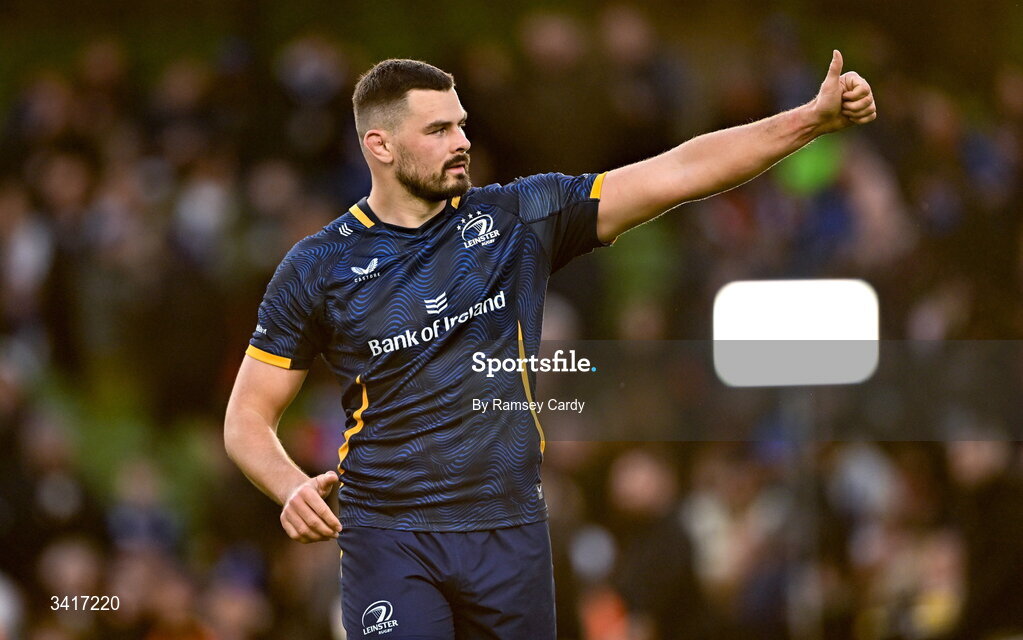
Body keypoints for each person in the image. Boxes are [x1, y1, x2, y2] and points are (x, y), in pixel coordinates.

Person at [223, 53, 875, 639]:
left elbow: (678, 171)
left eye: (461, 125)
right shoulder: (318, 266)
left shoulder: (517, 220)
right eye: (439, 130)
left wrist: (808, 122)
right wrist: (289, 486)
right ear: (380, 146)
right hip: (391, 535)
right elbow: (247, 416)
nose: (462, 143)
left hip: (511, 534)